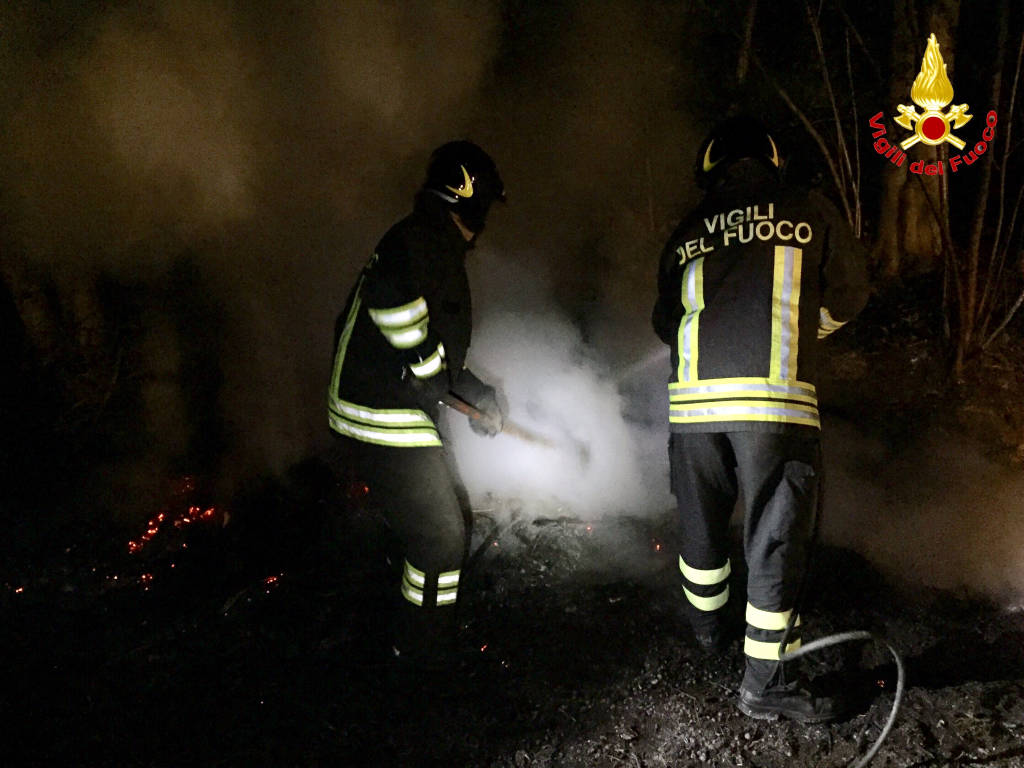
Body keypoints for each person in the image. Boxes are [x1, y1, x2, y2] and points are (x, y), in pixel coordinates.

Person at [651, 117, 869, 722]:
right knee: (774, 538)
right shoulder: (807, 209)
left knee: (702, 535)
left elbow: (663, 323)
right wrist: (806, 330)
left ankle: (707, 630)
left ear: (710, 169)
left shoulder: (687, 232)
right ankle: (766, 683)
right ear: (772, 163)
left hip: (692, 413)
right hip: (773, 408)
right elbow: (850, 295)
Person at [327, 140, 506, 667]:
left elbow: (433, 352)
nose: (487, 219)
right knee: (441, 537)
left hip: (393, 406)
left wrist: (477, 395)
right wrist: (429, 371)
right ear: (468, 199)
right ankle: (419, 652)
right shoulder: (427, 240)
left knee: (450, 521)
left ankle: (431, 629)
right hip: (378, 414)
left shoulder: (425, 238)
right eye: (487, 204)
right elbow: (391, 303)